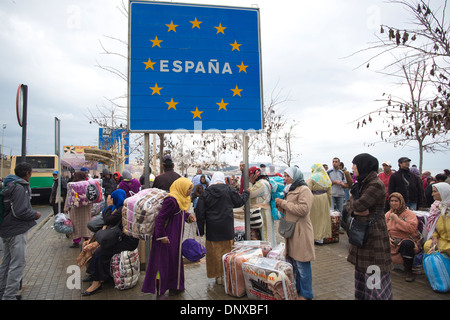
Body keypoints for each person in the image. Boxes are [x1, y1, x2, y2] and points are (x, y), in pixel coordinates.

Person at [345, 153, 392, 300]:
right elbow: (348, 205)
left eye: (355, 164)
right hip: (362, 234)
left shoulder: (375, 185)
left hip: (373, 236)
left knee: (373, 272)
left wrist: (354, 206)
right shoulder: (362, 183)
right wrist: (355, 208)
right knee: (362, 274)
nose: (353, 167)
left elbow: (358, 204)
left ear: (363, 165)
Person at [141, 177, 196, 299]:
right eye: (188, 189)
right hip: (166, 240)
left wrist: (188, 216)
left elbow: (180, 212)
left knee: (173, 262)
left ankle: (174, 287)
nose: (189, 192)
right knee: (162, 265)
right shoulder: (171, 200)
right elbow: (160, 219)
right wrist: (161, 236)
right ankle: (160, 292)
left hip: (174, 239)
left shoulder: (180, 200)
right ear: (181, 188)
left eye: (190, 189)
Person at [81, 189, 139, 296]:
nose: (110, 200)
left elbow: (108, 220)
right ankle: (97, 275)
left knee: (100, 252)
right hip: (120, 238)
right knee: (97, 249)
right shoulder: (120, 207)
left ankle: (97, 283)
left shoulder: (122, 209)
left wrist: (107, 206)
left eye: (111, 198)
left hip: (127, 242)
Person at [195, 172, 250, 285]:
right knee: (227, 252)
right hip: (226, 228)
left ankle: (217, 276)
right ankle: (226, 275)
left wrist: (200, 230)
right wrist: (246, 193)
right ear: (223, 179)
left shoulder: (206, 193)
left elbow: (200, 213)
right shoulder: (228, 190)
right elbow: (239, 201)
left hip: (212, 229)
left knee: (214, 253)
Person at [0, 162, 41, 300]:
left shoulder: (9, 183)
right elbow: (20, 211)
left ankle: (3, 291)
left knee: (6, 262)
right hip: (16, 230)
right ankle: (9, 296)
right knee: (17, 263)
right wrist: (34, 215)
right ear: (27, 173)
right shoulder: (20, 187)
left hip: (6, 229)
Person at [275, 166, 315, 300]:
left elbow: (303, 210)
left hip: (301, 231)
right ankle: (297, 289)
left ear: (295, 176)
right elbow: (288, 211)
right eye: (284, 175)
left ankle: (306, 294)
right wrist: (279, 205)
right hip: (292, 231)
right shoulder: (290, 189)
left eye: (287, 176)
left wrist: (284, 203)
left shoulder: (304, 190)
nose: (285, 178)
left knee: (302, 264)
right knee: (295, 265)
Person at [385, 192, 422, 282]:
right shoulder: (388, 214)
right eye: (392, 201)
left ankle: (408, 271)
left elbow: (411, 229)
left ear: (401, 202)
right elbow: (383, 229)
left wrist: (397, 220)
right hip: (392, 240)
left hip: (406, 239)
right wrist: (387, 238)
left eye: (396, 201)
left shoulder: (409, 214)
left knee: (406, 244)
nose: (393, 203)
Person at [64, 171, 92, 248]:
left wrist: (66, 208)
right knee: (86, 223)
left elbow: (69, 197)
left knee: (76, 224)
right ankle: (87, 239)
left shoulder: (72, 185)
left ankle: (76, 242)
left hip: (75, 208)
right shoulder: (88, 184)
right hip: (86, 208)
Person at [306, 164, 332, 244]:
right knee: (322, 219)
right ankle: (321, 238)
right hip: (324, 199)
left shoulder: (312, 178)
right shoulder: (326, 178)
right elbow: (330, 193)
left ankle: (315, 237)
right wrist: (329, 203)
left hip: (315, 199)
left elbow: (308, 191)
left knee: (314, 219)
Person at [248, 166, 274, 244]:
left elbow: (250, 193)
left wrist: (249, 182)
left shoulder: (261, 184)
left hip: (263, 213)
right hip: (264, 212)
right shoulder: (263, 182)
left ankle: (267, 253)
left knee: (265, 236)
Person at [423, 182, 450, 256]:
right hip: (442, 240)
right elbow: (433, 227)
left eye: (435, 191)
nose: (432, 194)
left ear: (443, 192)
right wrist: (434, 237)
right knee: (428, 246)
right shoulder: (436, 208)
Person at [327, 157, 347, 233]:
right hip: (332, 194)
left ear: (339, 163)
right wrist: (334, 182)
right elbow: (327, 183)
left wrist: (342, 184)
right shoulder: (329, 172)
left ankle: (339, 227)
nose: (334, 163)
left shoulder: (342, 173)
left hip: (340, 194)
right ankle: (331, 227)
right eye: (333, 162)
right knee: (331, 211)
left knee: (340, 212)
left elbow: (345, 183)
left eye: (336, 162)